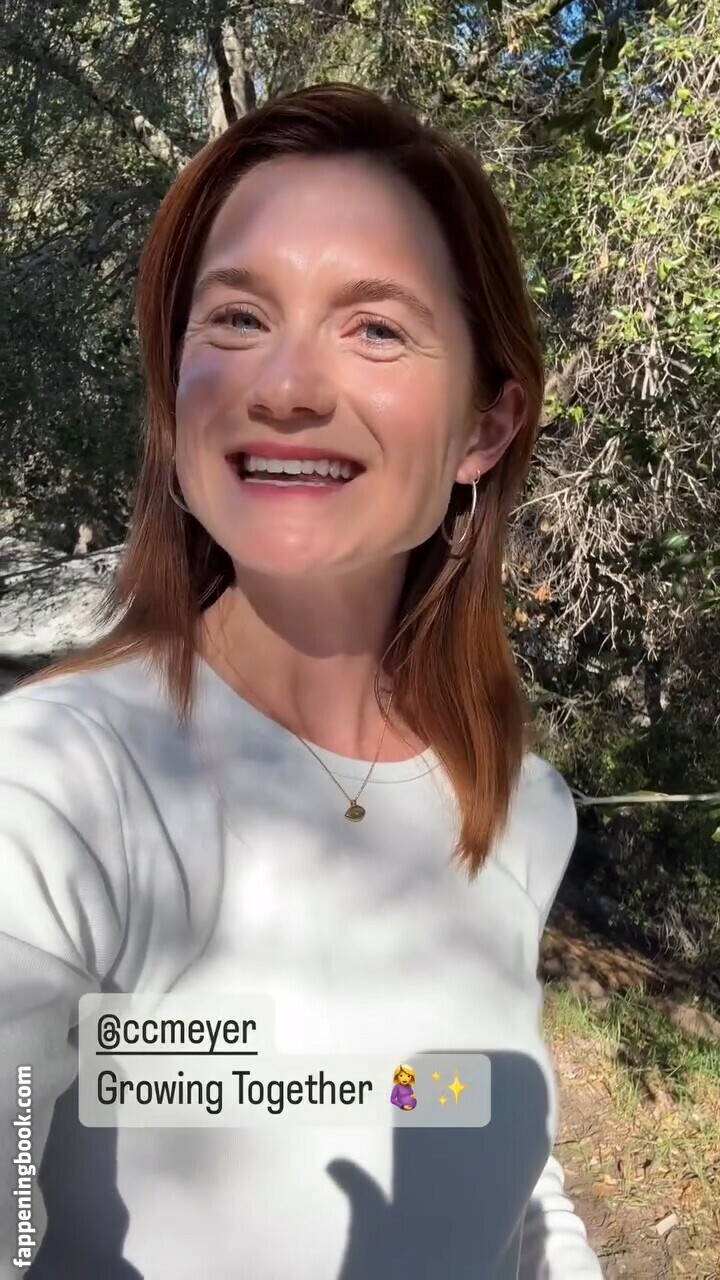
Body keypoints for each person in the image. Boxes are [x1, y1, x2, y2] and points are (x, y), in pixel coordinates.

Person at [0, 82, 602, 1278]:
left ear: (485, 429)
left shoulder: (520, 808)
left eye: (374, 327)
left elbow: (482, 1128)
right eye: (236, 317)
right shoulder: (53, 788)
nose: (283, 385)